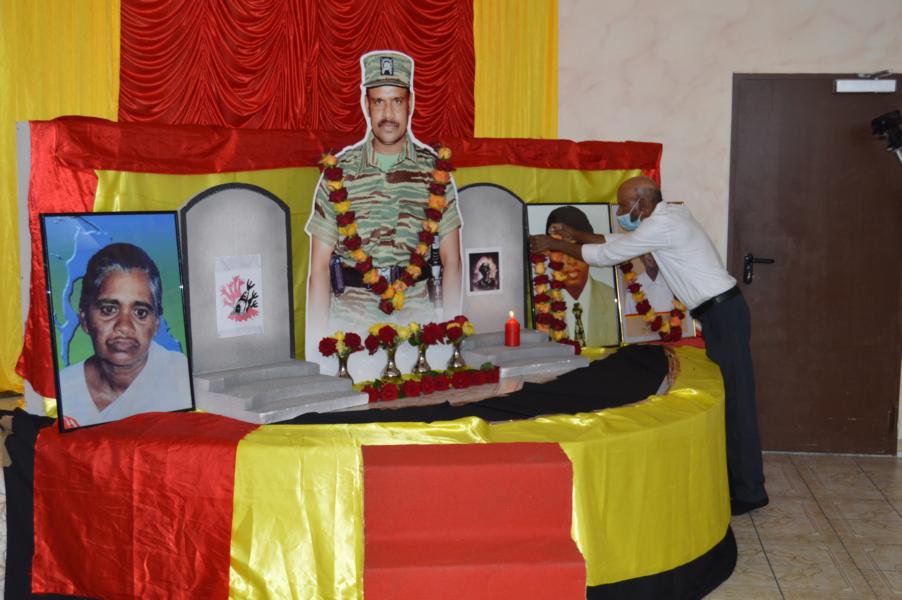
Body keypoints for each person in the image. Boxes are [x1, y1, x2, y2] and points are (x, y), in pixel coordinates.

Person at [530, 176, 768, 515]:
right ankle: (738, 481)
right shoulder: (667, 217)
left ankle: (750, 491)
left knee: (737, 401)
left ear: (642, 205)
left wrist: (554, 245)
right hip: (719, 313)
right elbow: (617, 240)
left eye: (623, 206)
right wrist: (575, 235)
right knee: (731, 397)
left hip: (723, 315)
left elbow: (609, 254)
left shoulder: (663, 225)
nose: (620, 212)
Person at [305, 51, 462, 343]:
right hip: (351, 327)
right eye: (379, 101)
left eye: (397, 101)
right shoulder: (339, 174)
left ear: (410, 103)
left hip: (417, 327)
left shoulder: (435, 174)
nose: (388, 114)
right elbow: (319, 268)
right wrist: (317, 346)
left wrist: (452, 337)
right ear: (366, 104)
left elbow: (451, 262)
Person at [58, 243, 191, 429]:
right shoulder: (62, 390)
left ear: (156, 324)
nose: (124, 327)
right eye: (109, 310)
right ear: (85, 320)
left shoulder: (181, 379)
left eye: (140, 312)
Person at [544, 206, 618, 346]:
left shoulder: (615, 300)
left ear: (592, 250)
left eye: (577, 249)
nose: (571, 261)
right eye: (561, 249)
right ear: (548, 253)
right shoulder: (540, 306)